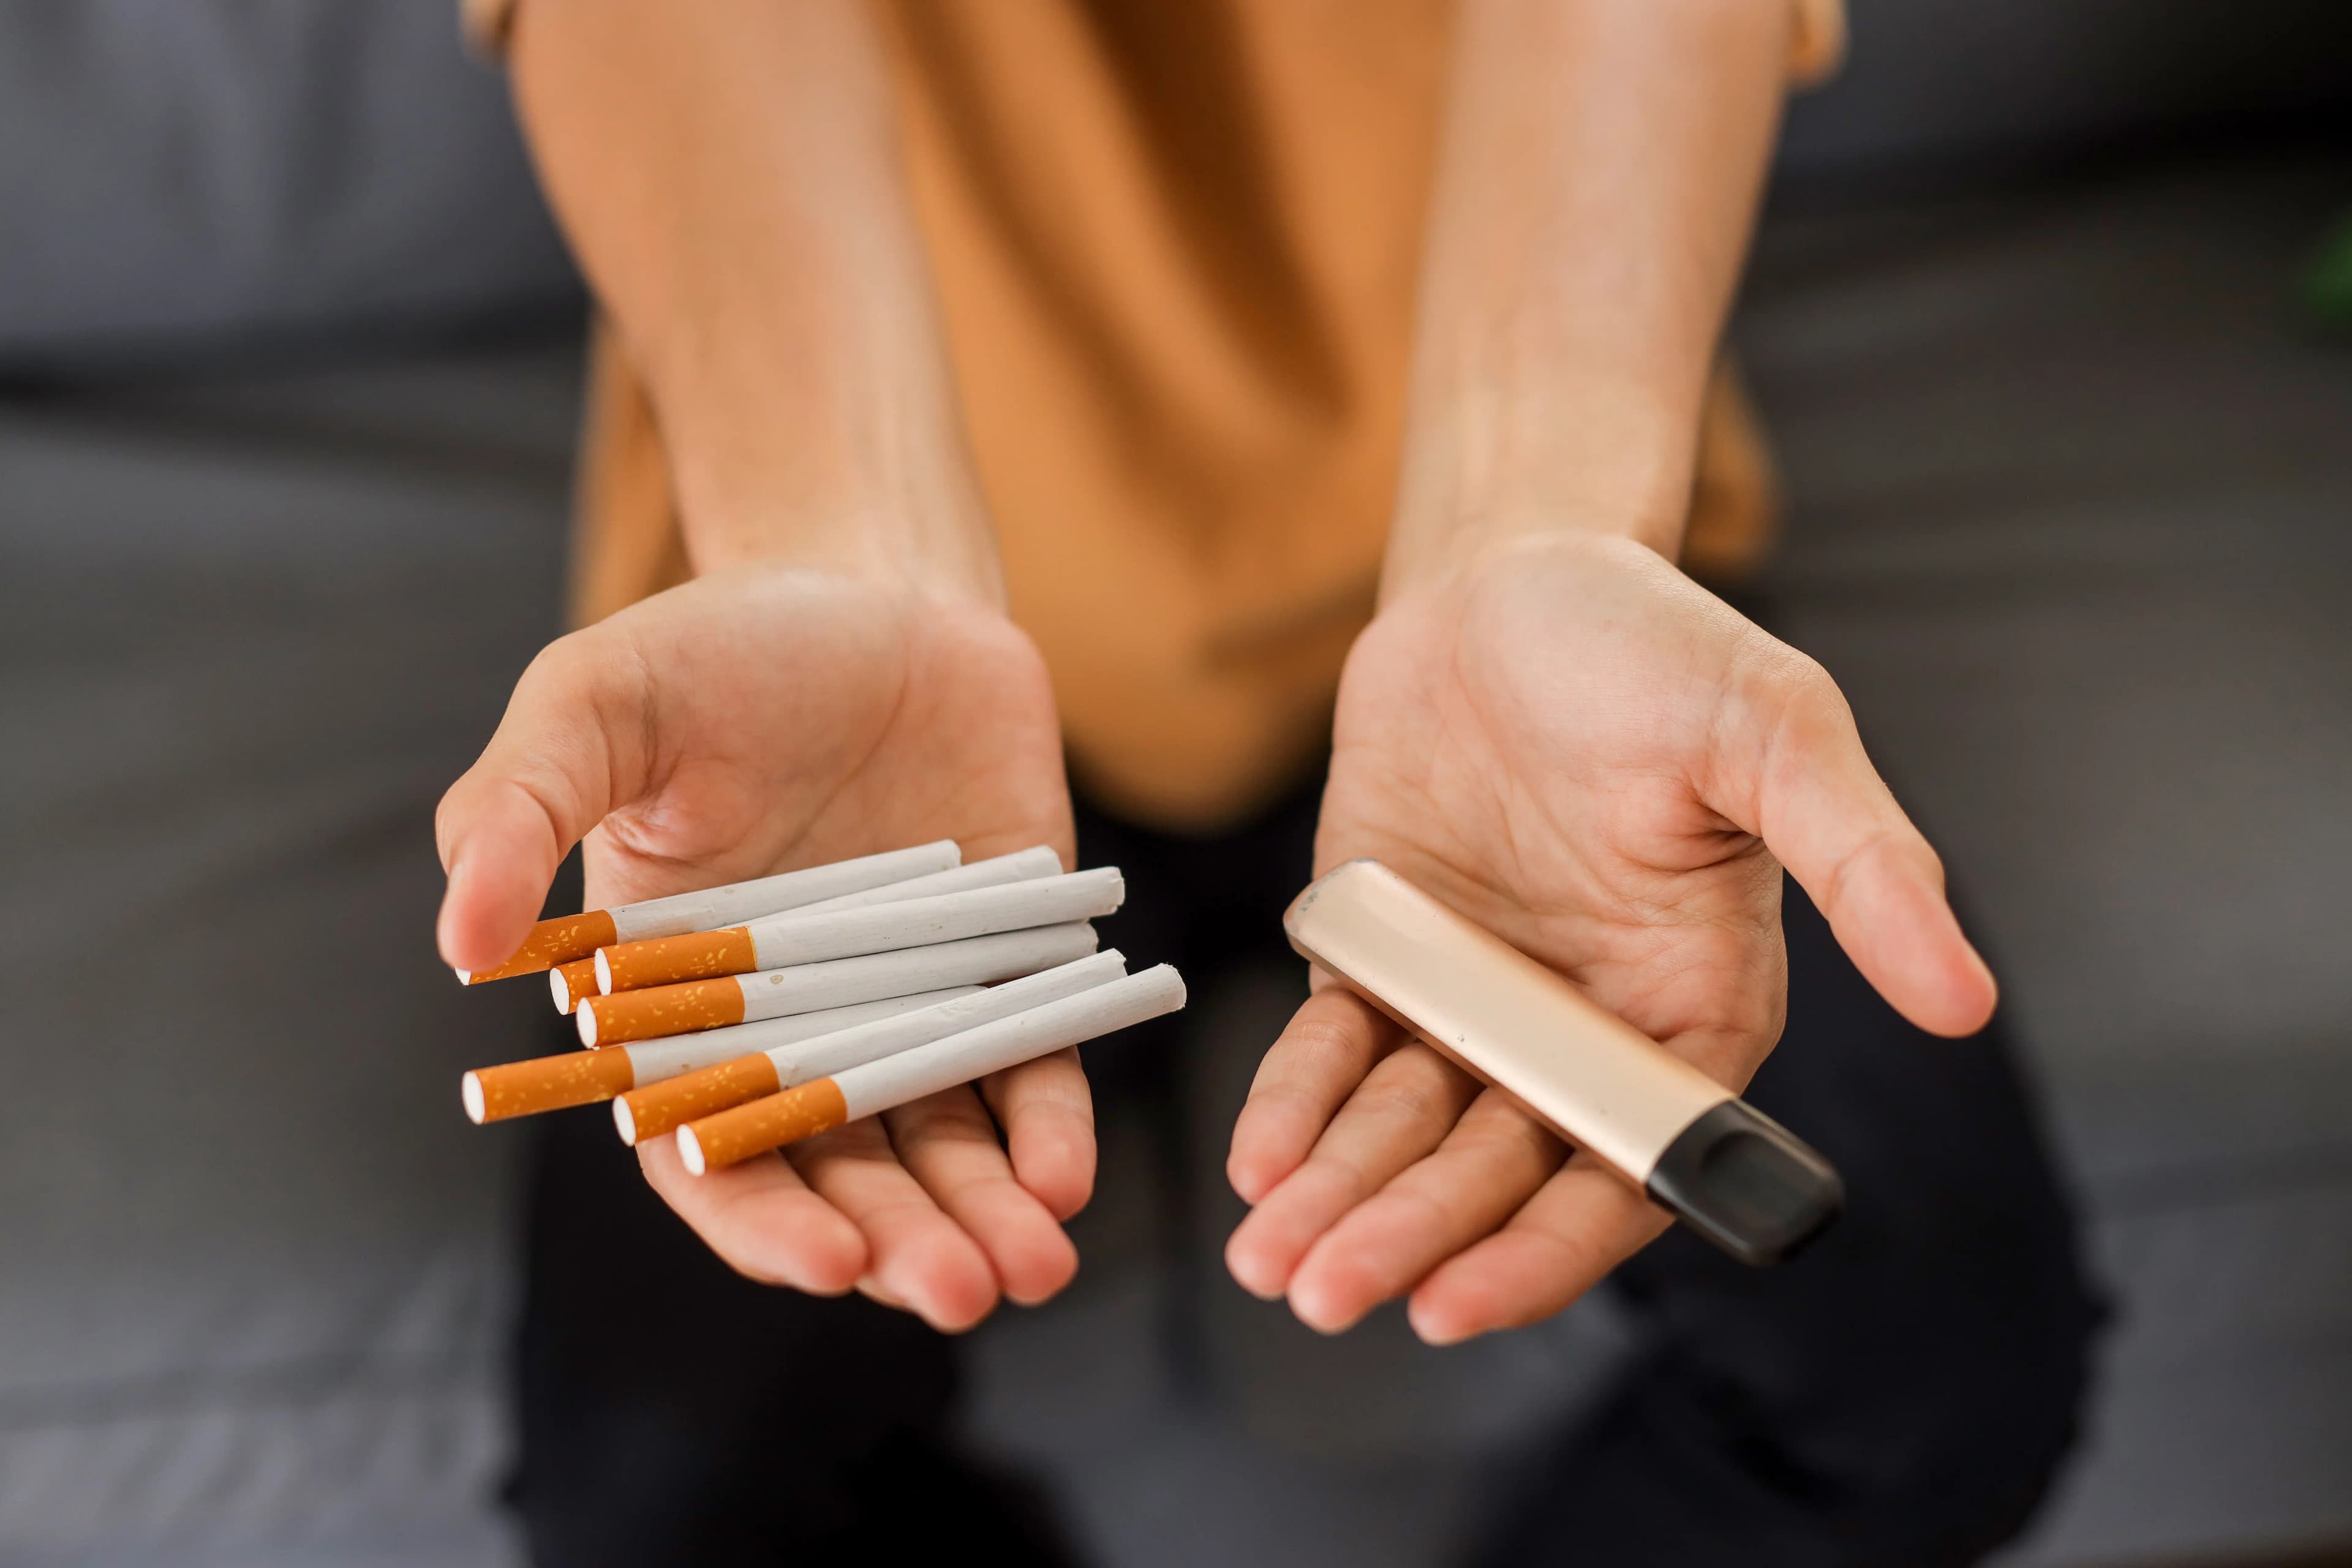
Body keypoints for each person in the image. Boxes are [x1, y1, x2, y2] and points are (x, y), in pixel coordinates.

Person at [435, 1, 2098, 1562]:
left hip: (1535, 645)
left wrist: (1539, 526)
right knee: (655, 1493)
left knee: (1942, 1382)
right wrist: (841, 550)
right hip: (832, 719)